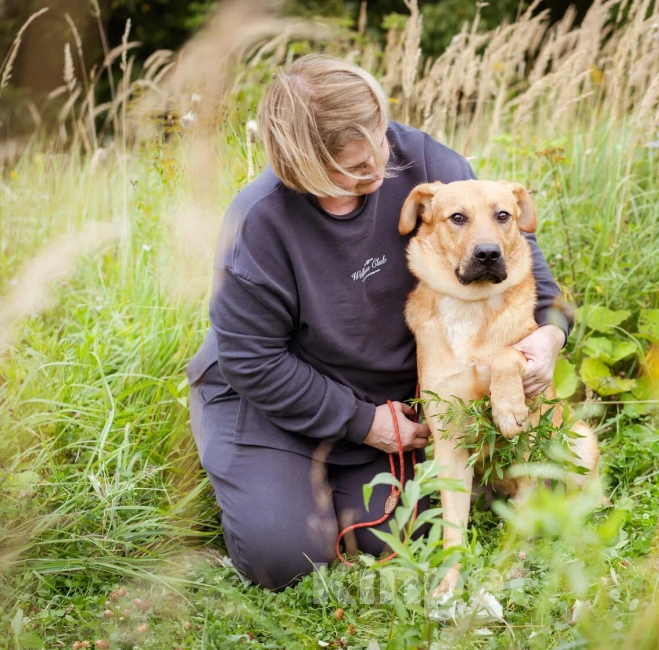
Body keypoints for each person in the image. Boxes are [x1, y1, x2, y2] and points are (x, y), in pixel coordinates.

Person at [186, 54, 571, 590]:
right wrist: (363, 423)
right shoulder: (260, 223)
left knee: (403, 534)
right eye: (352, 166)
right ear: (301, 163)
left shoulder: (421, 160)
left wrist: (551, 332)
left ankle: (331, 487)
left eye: (378, 141)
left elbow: (511, 246)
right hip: (268, 399)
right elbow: (253, 362)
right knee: (284, 558)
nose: (376, 166)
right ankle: (261, 477)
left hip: (388, 402)